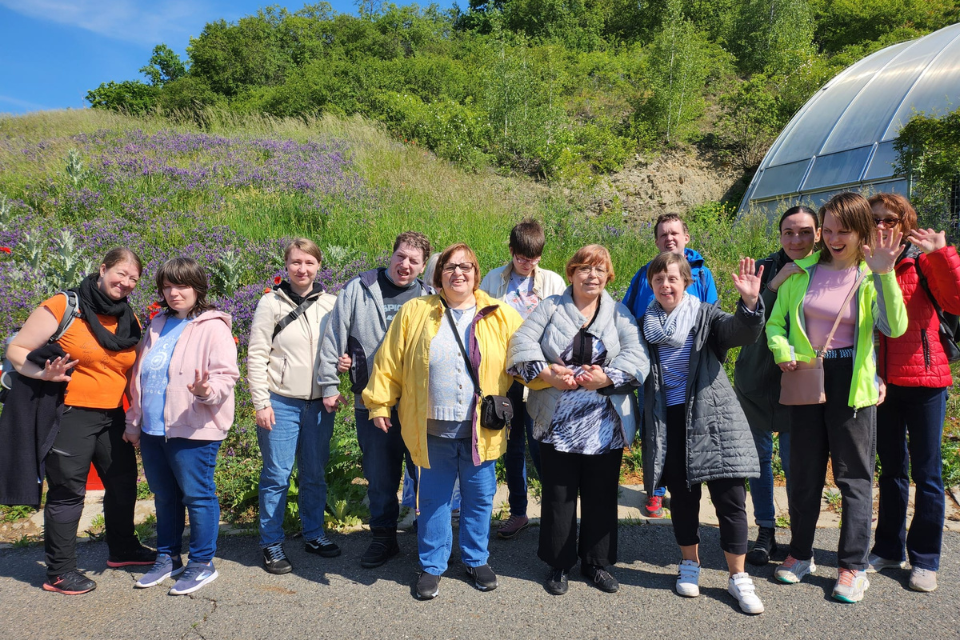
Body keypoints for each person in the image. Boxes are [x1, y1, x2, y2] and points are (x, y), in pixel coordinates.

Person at [767, 192, 907, 604]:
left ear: (861, 230)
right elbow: (775, 324)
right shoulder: (802, 271)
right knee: (803, 472)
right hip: (806, 375)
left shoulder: (871, 273)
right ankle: (800, 553)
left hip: (852, 381)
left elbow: (895, 327)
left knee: (853, 478)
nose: (832, 238)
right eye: (827, 230)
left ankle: (852, 566)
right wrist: (782, 349)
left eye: (842, 231)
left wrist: (884, 274)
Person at [363, 243, 524, 600]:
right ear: (438, 276)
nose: (458, 273)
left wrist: (553, 377)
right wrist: (379, 404)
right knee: (434, 500)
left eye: (466, 266)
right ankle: (432, 564)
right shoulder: (415, 311)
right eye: (450, 267)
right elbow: (389, 361)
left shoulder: (499, 313)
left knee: (479, 497)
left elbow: (527, 352)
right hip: (431, 428)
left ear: (476, 274)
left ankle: (475, 558)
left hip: (481, 429)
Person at [5, 248, 155, 594]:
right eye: (121, 273)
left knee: (123, 482)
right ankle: (59, 571)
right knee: (68, 490)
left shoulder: (127, 317)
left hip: (112, 414)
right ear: (102, 269)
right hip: (69, 412)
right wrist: (42, 374)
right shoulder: (64, 306)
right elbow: (16, 350)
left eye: (134, 278)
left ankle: (123, 549)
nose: (126, 282)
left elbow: (128, 368)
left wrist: (135, 414)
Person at [506, 244, 648, 595]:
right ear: (571, 273)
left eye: (599, 270)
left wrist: (607, 377)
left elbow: (638, 356)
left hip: (604, 423)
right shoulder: (551, 307)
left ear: (608, 277)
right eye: (584, 268)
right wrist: (547, 374)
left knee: (601, 494)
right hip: (556, 420)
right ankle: (559, 564)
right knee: (559, 495)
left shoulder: (619, 313)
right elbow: (521, 343)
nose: (592, 275)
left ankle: (596, 563)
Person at [641, 251, 766, 615]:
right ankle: (689, 564)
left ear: (686, 281)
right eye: (659, 279)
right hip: (668, 422)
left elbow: (741, 331)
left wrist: (750, 303)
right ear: (651, 284)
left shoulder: (705, 316)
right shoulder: (645, 324)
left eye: (672, 278)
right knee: (682, 498)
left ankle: (738, 577)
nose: (666, 285)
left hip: (713, 418)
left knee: (730, 499)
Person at [125, 257, 240, 595]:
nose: (174, 293)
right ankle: (168, 557)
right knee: (164, 497)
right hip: (154, 429)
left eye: (182, 285)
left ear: (198, 288)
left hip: (193, 428)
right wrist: (134, 420)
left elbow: (226, 376)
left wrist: (206, 391)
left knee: (198, 496)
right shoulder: (157, 323)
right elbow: (140, 377)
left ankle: (202, 563)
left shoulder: (214, 327)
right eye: (167, 286)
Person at [318, 231, 431, 568]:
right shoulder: (359, 288)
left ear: (423, 266)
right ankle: (384, 538)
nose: (405, 265)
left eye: (413, 261)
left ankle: (430, 541)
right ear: (391, 256)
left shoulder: (429, 296)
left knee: (426, 476)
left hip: (417, 405)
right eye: (400, 257)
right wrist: (329, 383)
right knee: (380, 476)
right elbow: (334, 335)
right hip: (370, 401)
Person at [866, 193, 960, 593]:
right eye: (874, 219)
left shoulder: (921, 263)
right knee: (891, 471)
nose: (881, 225)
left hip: (925, 380)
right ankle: (888, 548)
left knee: (928, 474)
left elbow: (956, 299)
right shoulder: (864, 262)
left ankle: (924, 559)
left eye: (890, 219)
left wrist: (942, 254)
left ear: (905, 226)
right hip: (882, 385)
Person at [247, 239, 339, 574]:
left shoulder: (331, 303)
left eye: (309, 263)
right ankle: (271, 542)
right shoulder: (270, 303)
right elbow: (257, 354)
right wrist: (261, 402)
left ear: (319, 266)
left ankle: (313, 533)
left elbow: (338, 349)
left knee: (314, 474)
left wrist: (341, 368)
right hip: (280, 402)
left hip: (319, 405)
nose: (302, 269)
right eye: (296, 262)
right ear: (286, 266)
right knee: (277, 476)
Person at [733, 206, 820, 565]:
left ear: (818, 234)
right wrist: (773, 284)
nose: (796, 239)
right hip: (755, 379)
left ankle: (800, 539)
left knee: (796, 462)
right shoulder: (764, 268)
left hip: (799, 380)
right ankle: (765, 530)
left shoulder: (827, 270)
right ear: (780, 234)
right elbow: (745, 320)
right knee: (758, 461)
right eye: (788, 232)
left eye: (805, 232)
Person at [622, 213, 719, 518]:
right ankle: (655, 490)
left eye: (674, 233)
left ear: (686, 238)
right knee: (654, 429)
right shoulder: (644, 274)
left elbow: (713, 318)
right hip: (652, 367)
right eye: (663, 235)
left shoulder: (702, 274)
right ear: (656, 241)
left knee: (689, 432)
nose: (669, 239)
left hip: (691, 371)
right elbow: (625, 313)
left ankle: (685, 489)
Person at [480, 219, 566, 539]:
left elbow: (565, 326)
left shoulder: (553, 282)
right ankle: (518, 513)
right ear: (511, 250)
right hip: (506, 378)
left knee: (544, 447)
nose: (527, 264)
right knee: (513, 447)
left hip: (542, 377)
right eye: (521, 258)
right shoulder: (493, 280)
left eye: (534, 259)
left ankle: (556, 513)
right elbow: (482, 326)